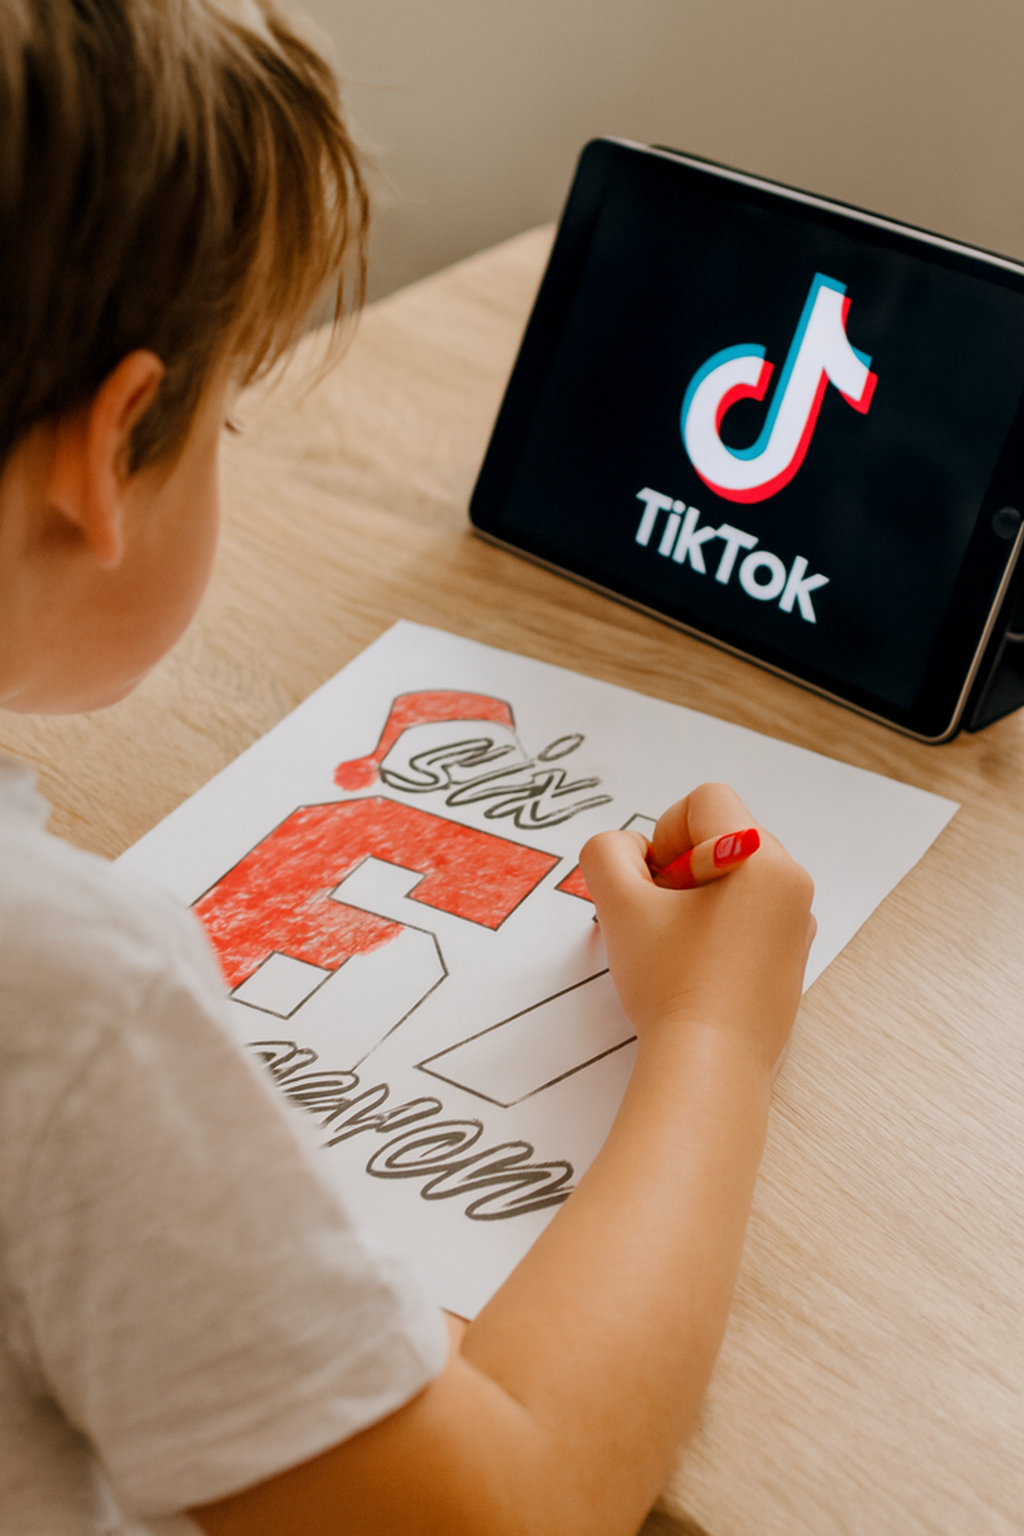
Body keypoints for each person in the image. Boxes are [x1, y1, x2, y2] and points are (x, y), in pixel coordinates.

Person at [0, 1, 816, 1532]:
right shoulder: (69, 1000)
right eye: (227, 413)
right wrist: (717, 1035)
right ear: (111, 454)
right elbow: (507, 1503)